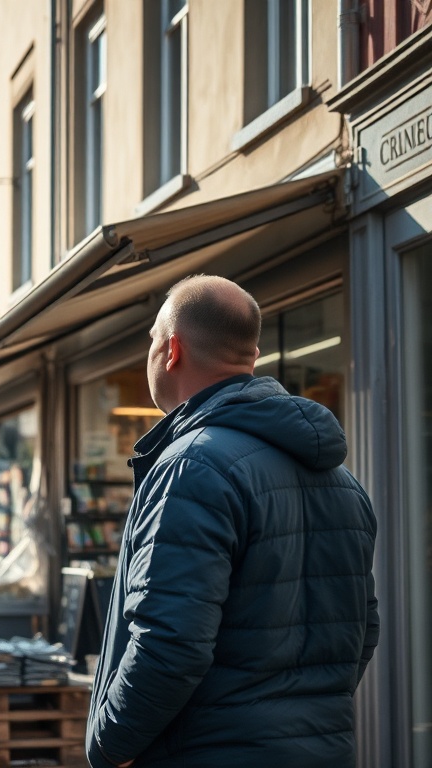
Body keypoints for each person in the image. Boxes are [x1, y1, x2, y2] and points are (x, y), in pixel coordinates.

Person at [86, 275, 380, 768]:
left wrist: (108, 746)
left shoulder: (190, 467)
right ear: (253, 354)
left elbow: (169, 642)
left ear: (172, 350)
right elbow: (362, 631)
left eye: (153, 339)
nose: (153, 350)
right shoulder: (343, 481)